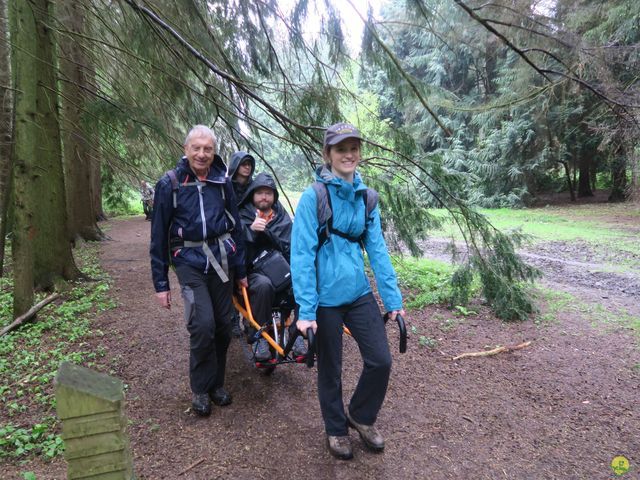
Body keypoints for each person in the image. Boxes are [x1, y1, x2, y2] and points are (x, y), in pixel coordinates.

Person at [291, 122, 405, 460]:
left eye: (353, 148)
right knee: (331, 369)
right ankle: (336, 429)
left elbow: (379, 251)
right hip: (324, 299)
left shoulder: (367, 198)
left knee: (380, 360)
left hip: (357, 292)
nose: (349, 154)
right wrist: (306, 310)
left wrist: (393, 300)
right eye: (341, 149)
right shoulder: (314, 197)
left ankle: (361, 415)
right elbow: (301, 255)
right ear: (328, 154)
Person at [150, 125, 247, 417]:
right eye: (196, 148)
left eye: (208, 149)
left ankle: (217, 384)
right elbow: (158, 235)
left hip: (222, 261)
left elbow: (237, 226)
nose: (202, 154)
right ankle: (201, 389)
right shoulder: (170, 183)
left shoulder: (222, 180)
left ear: (214, 151)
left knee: (223, 325)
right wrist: (160, 283)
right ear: (186, 149)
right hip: (188, 260)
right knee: (202, 324)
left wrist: (240, 269)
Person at [238, 172, 306, 361]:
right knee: (263, 285)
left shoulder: (281, 217)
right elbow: (234, 249)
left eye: (268, 193)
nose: (264, 197)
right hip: (252, 270)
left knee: (302, 281)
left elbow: (291, 246)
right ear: (252, 195)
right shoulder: (243, 215)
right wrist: (251, 232)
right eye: (259, 193)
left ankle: (295, 333)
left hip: (280, 266)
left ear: (274, 196)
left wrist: (269, 232)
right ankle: (259, 336)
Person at [228, 151, 256, 337]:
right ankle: (232, 319)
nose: (247, 167)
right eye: (243, 163)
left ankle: (249, 318)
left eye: (249, 164)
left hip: (251, 240)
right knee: (230, 280)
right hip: (231, 239)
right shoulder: (226, 186)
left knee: (249, 279)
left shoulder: (254, 188)